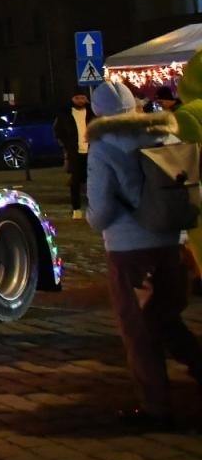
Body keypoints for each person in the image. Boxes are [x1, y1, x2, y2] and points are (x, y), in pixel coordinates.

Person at [85, 80, 202, 430]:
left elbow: (102, 208)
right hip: (171, 241)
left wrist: (93, 221)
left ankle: (156, 408)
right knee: (168, 318)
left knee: (138, 329)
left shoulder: (103, 146)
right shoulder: (163, 133)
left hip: (129, 248)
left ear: (98, 111)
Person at [53, 92, 93, 220]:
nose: (81, 101)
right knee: (75, 181)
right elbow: (58, 131)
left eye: (83, 98)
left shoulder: (92, 112)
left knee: (92, 180)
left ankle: (93, 207)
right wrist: (66, 145)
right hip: (75, 152)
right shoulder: (65, 113)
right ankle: (76, 209)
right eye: (78, 98)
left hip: (91, 151)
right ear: (73, 99)